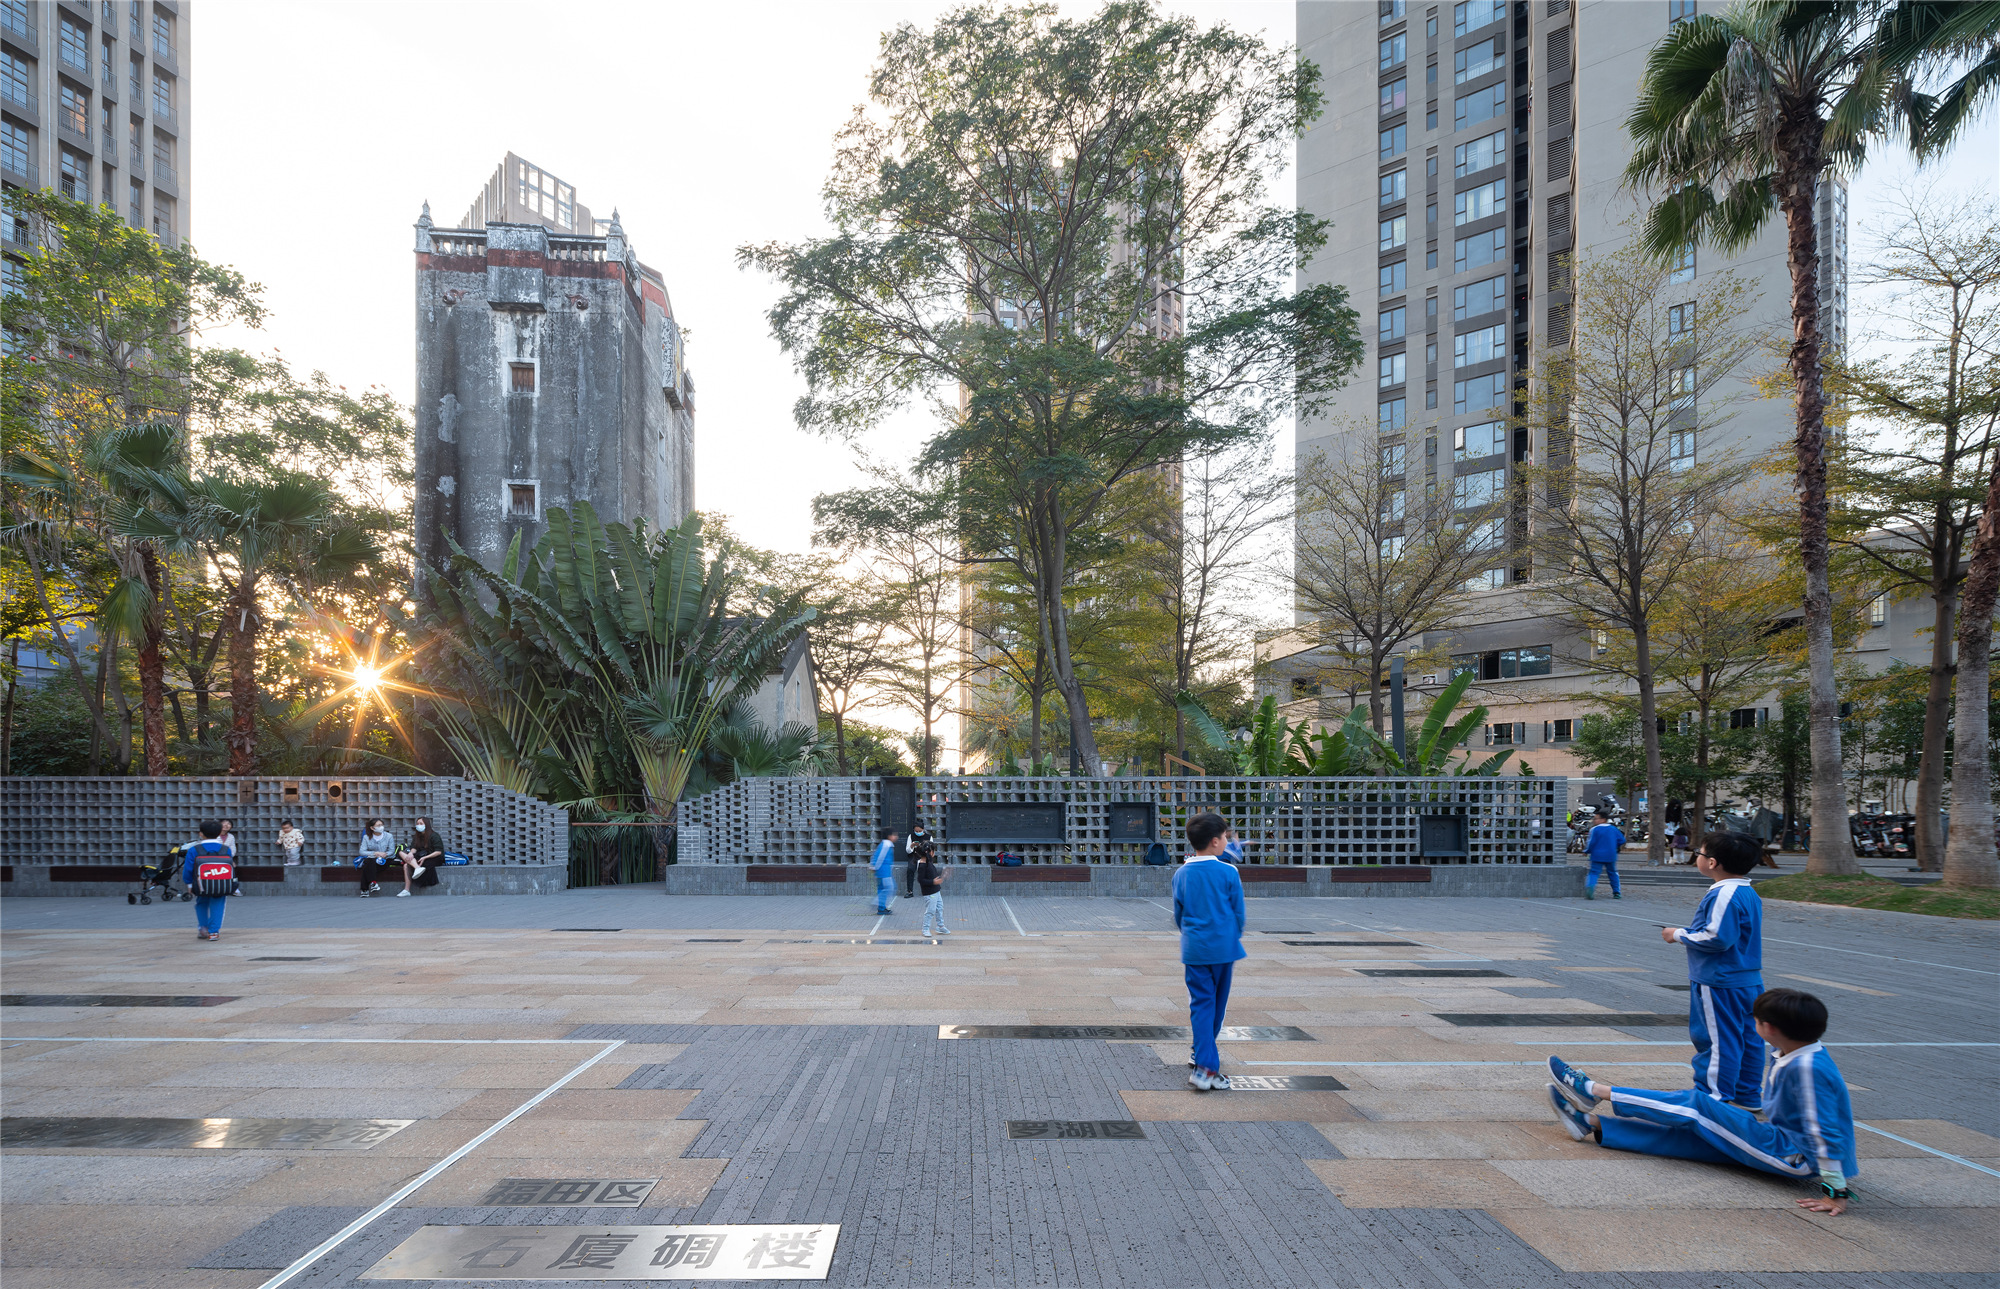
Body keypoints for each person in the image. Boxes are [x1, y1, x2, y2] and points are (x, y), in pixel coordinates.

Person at [1545, 987, 1857, 1215]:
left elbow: (1824, 1132)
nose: (1754, 1026)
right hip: (1780, 1139)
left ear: (1770, 1029)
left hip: (1793, 1155)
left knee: (1696, 1106)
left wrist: (1835, 1190)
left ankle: (1595, 1091)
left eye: (1757, 1021)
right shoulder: (1799, 1050)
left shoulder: (1808, 1069)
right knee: (1695, 1136)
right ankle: (1588, 1122)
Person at [1663, 830, 1766, 1110]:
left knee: (1716, 1041)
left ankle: (1712, 1100)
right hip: (1746, 979)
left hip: (1719, 981)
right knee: (1749, 1039)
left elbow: (1716, 937)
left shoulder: (1724, 893)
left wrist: (1677, 934)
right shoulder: (1746, 891)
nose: (1697, 856)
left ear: (1712, 863)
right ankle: (1746, 1096)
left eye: (1700, 852)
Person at [1173, 811, 1245, 1093]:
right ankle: (1205, 1069)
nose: (1228, 840)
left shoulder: (1181, 874)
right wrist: (1231, 935)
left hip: (1195, 949)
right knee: (1216, 1005)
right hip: (1224, 948)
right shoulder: (1229, 872)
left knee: (1201, 1004)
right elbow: (1238, 913)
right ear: (1215, 841)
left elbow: (1179, 913)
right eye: (1226, 836)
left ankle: (1200, 1053)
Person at [182, 819, 234, 942]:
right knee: (218, 905)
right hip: (221, 882)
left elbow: (188, 869)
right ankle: (214, 932)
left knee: (201, 903)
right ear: (218, 833)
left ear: (201, 834)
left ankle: (203, 928)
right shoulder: (225, 849)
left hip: (200, 883)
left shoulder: (194, 850)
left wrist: (189, 884)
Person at [395, 816, 446, 897]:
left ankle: (415, 871)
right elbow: (414, 848)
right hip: (421, 855)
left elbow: (438, 852)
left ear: (426, 824)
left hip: (433, 857)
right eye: (417, 823)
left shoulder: (434, 835)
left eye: (421, 823)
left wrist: (425, 857)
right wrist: (411, 853)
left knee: (407, 865)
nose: (419, 825)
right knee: (402, 856)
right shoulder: (417, 837)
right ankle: (407, 889)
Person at [1583, 807, 1624, 899]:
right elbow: (1622, 840)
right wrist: (1614, 846)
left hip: (1597, 855)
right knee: (1612, 873)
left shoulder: (1595, 830)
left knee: (1593, 873)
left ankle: (1590, 887)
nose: (1594, 820)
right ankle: (1616, 892)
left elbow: (1591, 843)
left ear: (1603, 819)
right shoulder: (1613, 829)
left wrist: (1586, 851)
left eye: (1596, 818)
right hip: (1611, 854)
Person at [356, 818, 397, 897]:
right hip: (372, 860)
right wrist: (375, 853)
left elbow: (392, 851)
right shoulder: (366, 837)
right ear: (372, 828)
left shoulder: (389, 836)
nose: (381, 827)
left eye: (382, 825)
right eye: (378, 825)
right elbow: (362, 851)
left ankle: (365, 889)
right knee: (369, 861)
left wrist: (385, 854)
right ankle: (373, 883)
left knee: (366, 865)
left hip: (385, 860)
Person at [918, 846, 948, 936]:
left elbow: (933, 874)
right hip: (929, 892)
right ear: (929, 852)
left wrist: (942, 874)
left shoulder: (929, 862)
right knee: (930, 910)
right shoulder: (922, 865)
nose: (934, 853)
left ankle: (940, 926)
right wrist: (933, 881)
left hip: (936, 890)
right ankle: (925, 929)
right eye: (933, 851)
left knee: (939, 908)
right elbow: (921, 880)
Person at [870, 828, 898, 916]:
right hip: (884, 872)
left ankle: (881, 908)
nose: (896, 837)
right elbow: (879, 857)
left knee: (882, 888)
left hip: (882, 871)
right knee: (890, 888)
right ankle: (877, 903)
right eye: (894, 835)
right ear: (889, 836)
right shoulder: (887, 844)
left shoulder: (885, 844)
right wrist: (874, 866)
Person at [904, 824, 935, 899]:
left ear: (923, 829)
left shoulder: (929, 837)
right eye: (916, 831)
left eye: (920, 831)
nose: (918, 832)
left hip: (925, 856)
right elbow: (908, 851)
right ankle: (910, 891)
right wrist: (911, 846)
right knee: (910, 869)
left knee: (928, 870)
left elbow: (932, 850)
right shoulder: (911, 836)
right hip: (914, 856)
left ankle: (930, 891)